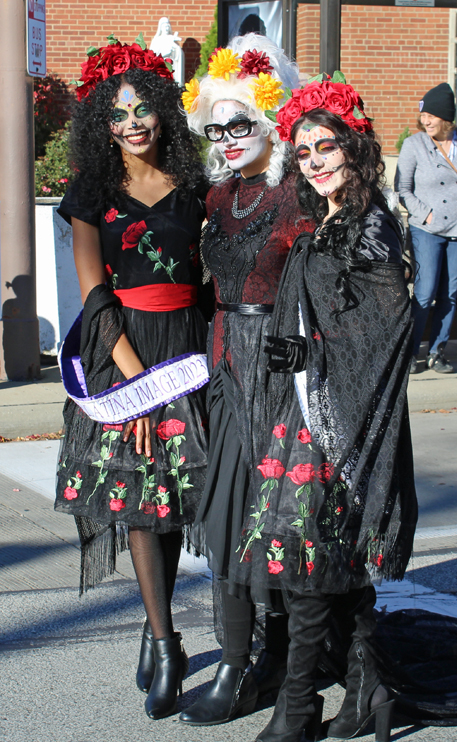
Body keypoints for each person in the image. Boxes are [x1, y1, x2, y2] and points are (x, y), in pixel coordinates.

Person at [228, 74, 418, 742]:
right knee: (331, 561)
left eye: (327, 145)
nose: (314, 160)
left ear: (354, 147)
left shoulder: (370, 227)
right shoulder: (330, 220)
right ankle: (372, 690)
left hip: (341, 419)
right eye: (304, 150)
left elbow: (392, 325)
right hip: (307, 415)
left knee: (308, 568)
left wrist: (313, 355)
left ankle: (299, 709)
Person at [54, 36, 210, 720]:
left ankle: (156, 628)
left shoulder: (195, 185)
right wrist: (134, 385)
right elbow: (93, 293)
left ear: (163, 112)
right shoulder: (91, 190)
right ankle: (168, 643)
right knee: (141, 501)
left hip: (190, 347)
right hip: (123, 349)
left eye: (143, 108)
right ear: (102, 124)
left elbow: (209, 275)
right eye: (117, 114)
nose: (132, 122)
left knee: (173, 500)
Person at [180, 34, 315, 726]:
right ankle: (236, 661)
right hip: (227, 365)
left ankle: (289, 668)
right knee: (228, 514)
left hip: (286, 374)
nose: (229, 138)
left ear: (268, 122)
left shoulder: (299, 195)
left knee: (285, 523)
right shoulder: (216, 197)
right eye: (217, 126)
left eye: (241, 123)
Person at [395, 82, 457, 375]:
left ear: (446, 117)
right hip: (427, 229)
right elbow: (402, 189)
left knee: (450, 293)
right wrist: (427, 214)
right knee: (424, 291)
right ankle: (409, 353)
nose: (425, 120)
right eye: (423, 115)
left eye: (431, 115)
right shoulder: (414, 145)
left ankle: (437, 351)